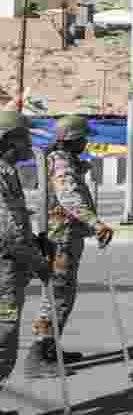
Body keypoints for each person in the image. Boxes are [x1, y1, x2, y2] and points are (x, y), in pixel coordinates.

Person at [24, 115, 114, 378]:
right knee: (57, 296)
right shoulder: (61, 162)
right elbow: (68, 197)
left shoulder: (63, 160)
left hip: (63, 236)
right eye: (83, 138)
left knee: (63, 294)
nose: (86, 142)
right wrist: (95, 223)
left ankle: (50, 347)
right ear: (73, 139)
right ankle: (39, 355)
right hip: (60, 238)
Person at [0, 111, 51, 410]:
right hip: (4, 270)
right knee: (3, 341)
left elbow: (15, 223)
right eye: (24, 137)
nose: (29, 143)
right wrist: (38, 262)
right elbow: (8, 232)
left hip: (10, 267)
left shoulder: (8, 172)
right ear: (8, 140)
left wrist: (34, 241)